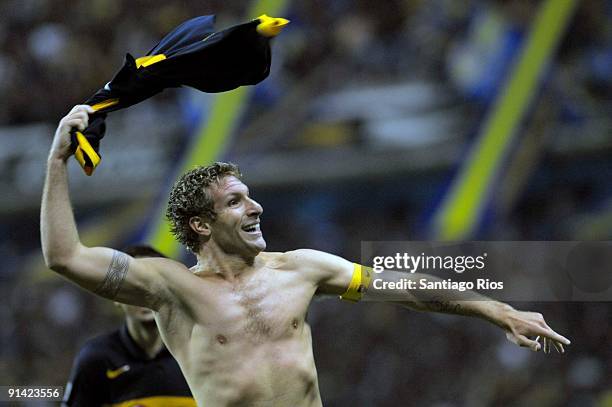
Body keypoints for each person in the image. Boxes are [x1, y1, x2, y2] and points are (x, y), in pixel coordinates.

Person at [42, 105, 571, 407]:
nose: (256, 206)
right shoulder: (170, 288)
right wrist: (58, 159)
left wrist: (496, 309)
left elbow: (406, 286)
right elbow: (64, 256)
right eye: (236, 201)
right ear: (201, 224)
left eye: (249, 195)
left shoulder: (302, 268)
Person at [62, 245, 196, 407]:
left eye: (153, 285)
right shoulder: (97, 359)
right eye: (133, 287)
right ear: (116, 297)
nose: (145, 295)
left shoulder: (196, 353)